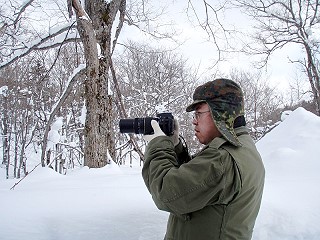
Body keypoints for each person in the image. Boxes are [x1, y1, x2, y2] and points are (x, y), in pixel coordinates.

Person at [142, 78, 265, 240]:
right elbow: (194, 182)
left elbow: (166, 193)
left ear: (220, 113)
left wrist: (157, 144)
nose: (194, 121)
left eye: (199, 113)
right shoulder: (242, 147)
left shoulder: (222, 158)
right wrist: (176, 145)